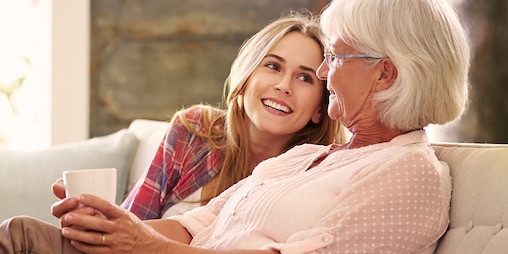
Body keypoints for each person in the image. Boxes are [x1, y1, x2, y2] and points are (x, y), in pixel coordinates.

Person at [0, 0, 471, 253]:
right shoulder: (309, 157)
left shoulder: (410, 174)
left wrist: (141, 245)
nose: (325, 73)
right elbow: (197, 223)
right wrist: (115, 230)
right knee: (18, 231)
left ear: (385, 73)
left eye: (333, 59)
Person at [114, 10, 345, 220]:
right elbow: (130, 223)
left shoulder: (317, 177)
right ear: (246, 77)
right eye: (273, 66)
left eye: (305, 78)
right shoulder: (194, 130)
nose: (284, 86)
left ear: (319, 109)